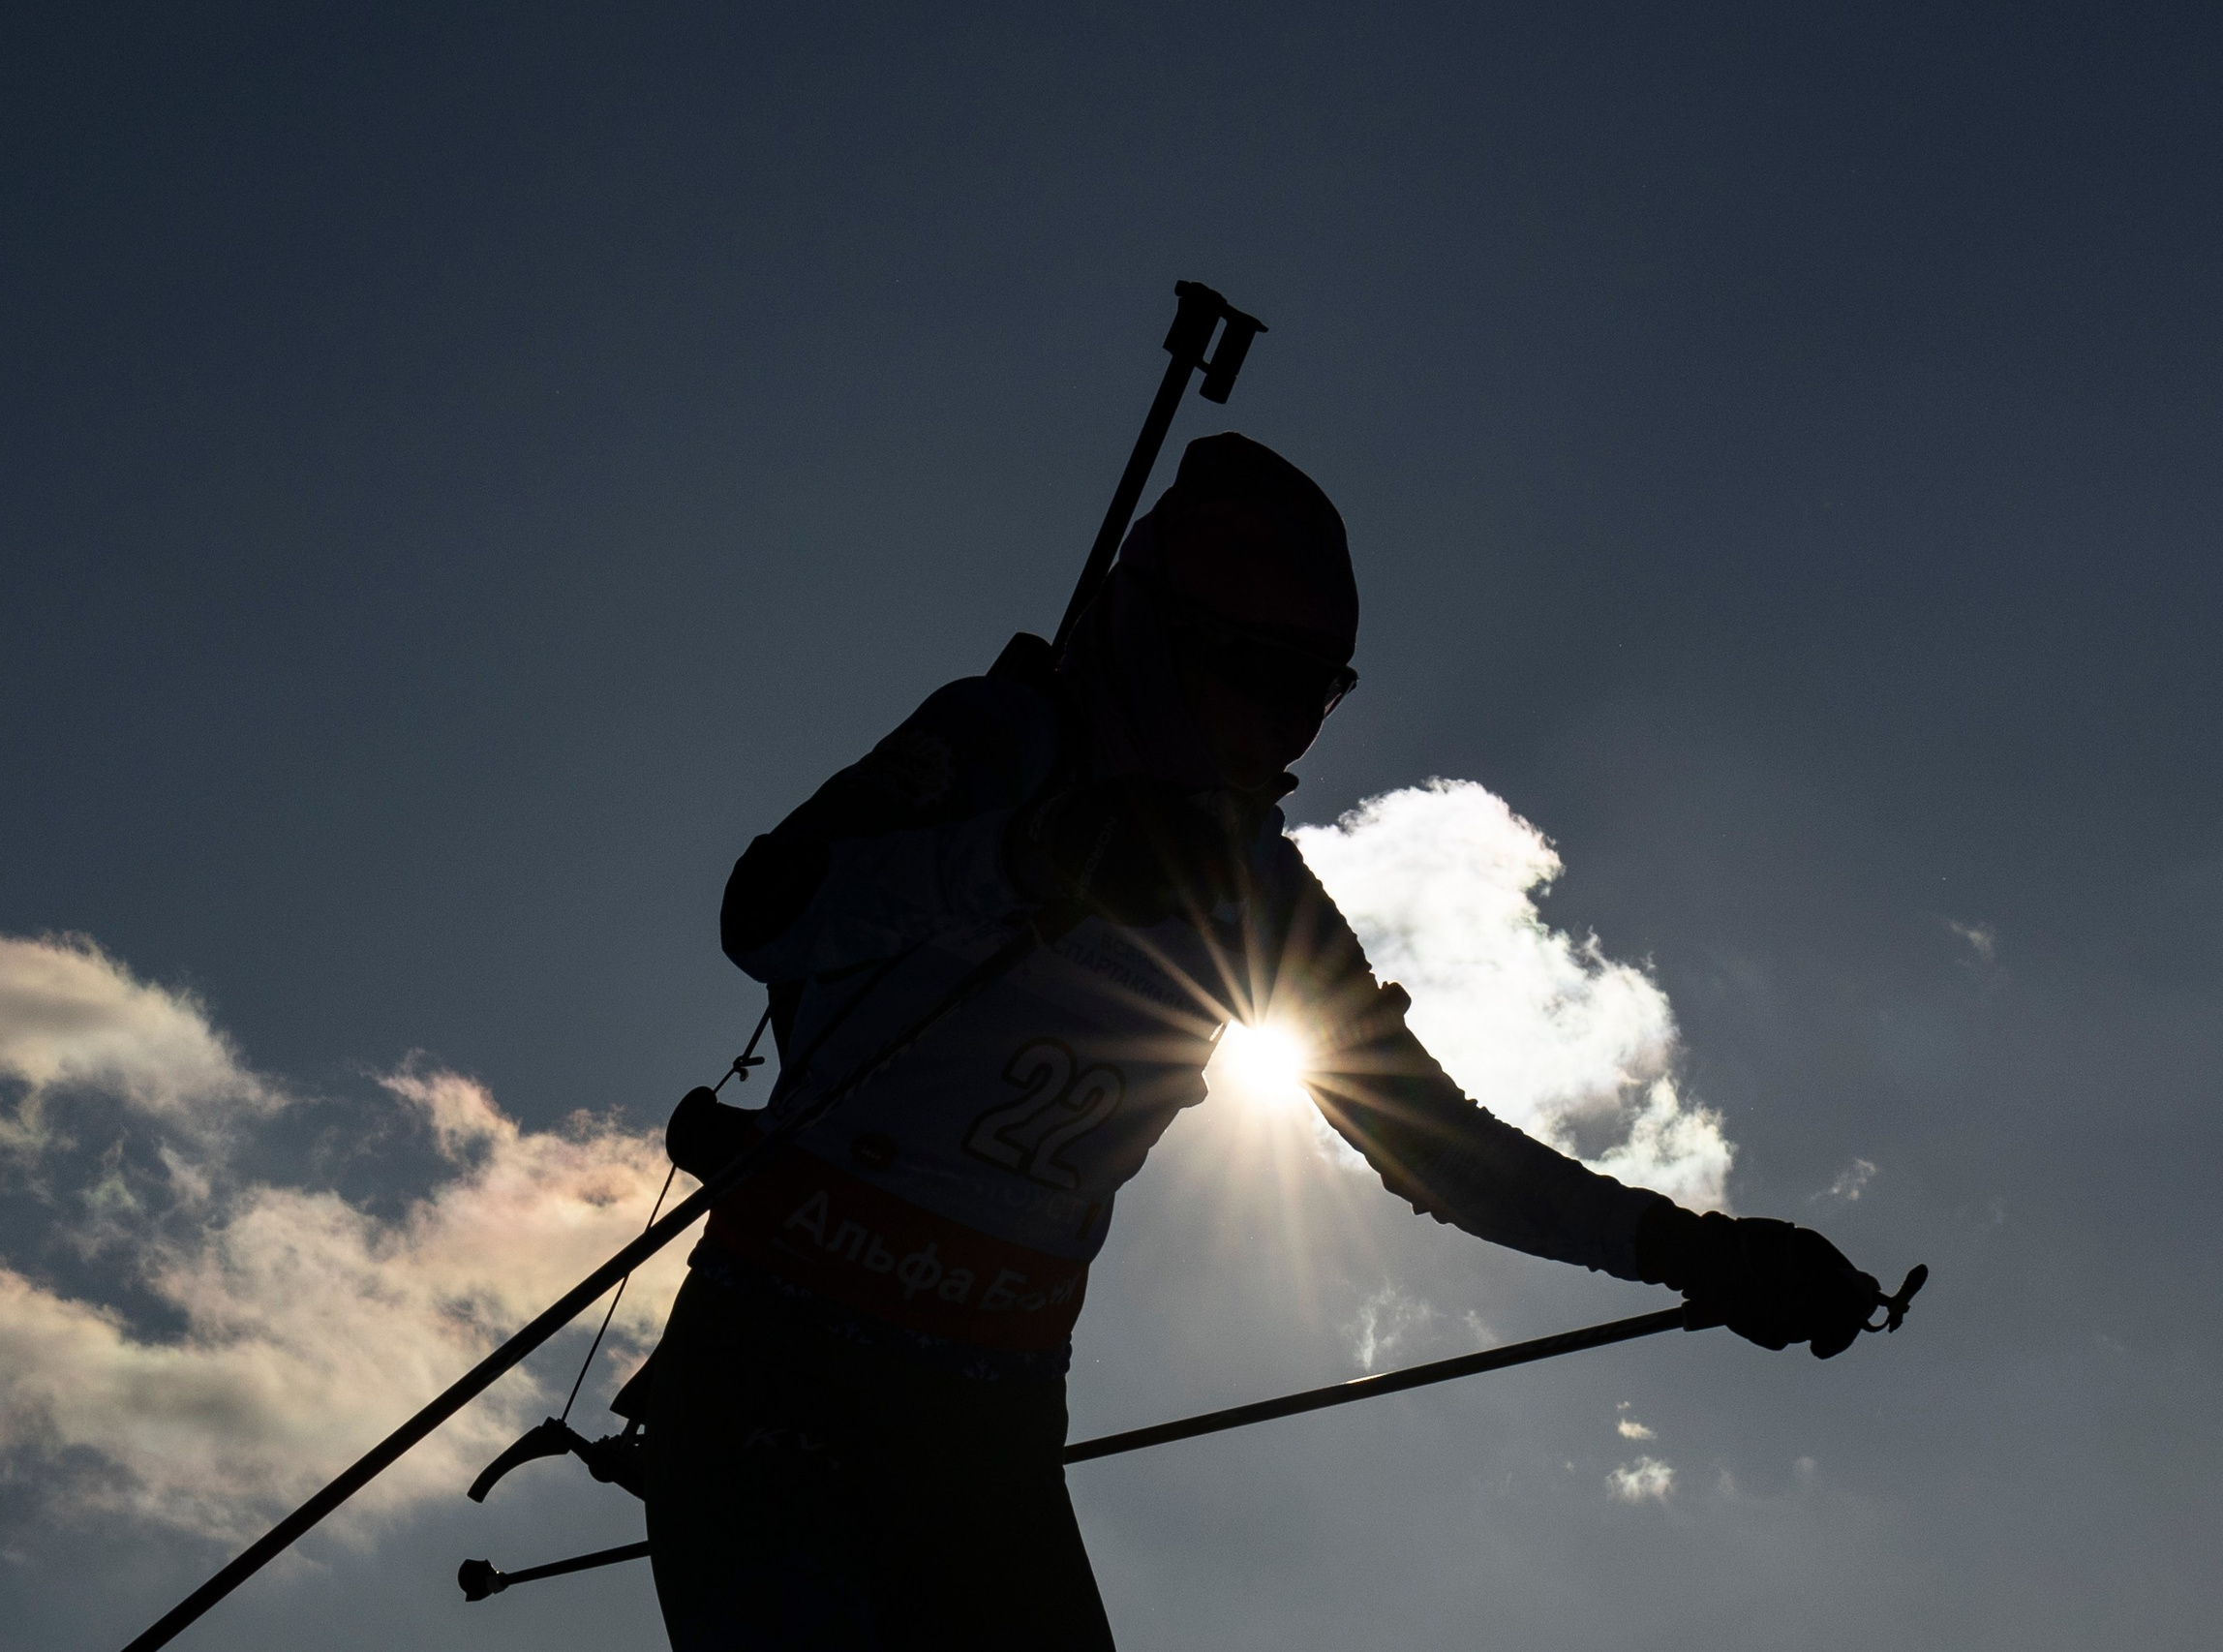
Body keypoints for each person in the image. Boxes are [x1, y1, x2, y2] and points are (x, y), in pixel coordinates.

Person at [638, 434, 1884, 1650]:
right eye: (1248, 671)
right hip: (774, 1358)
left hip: (985, 1403)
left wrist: (1695, 1250)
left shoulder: (1255, 895)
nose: (1275, 730)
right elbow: (769, 911)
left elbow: (1429, 1142)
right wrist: (1025, 857)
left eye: (1312, 692)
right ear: (1153, 637)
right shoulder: (1001, 744)